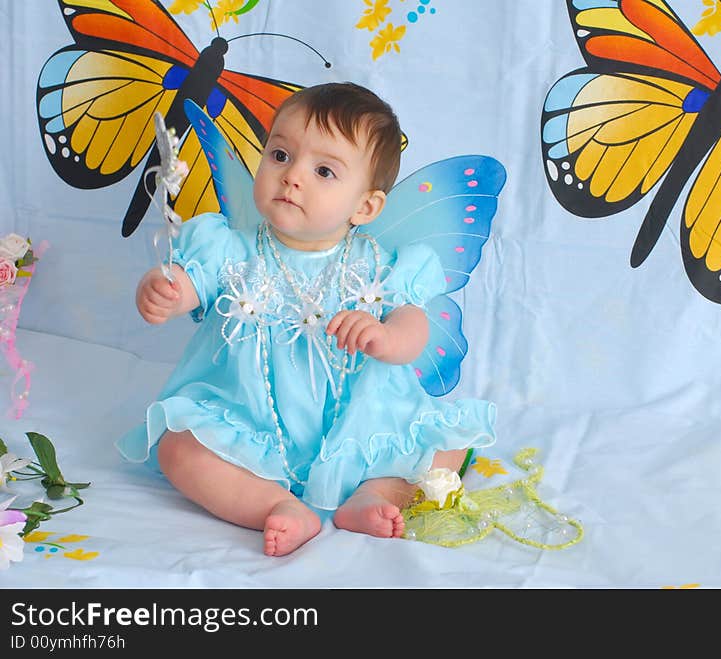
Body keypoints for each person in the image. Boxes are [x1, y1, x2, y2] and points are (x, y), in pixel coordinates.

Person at [117, 82, 496, 557]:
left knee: (448, 447)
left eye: (323, 170)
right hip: (248, 423)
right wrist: (161, 293)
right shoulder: (228, 248)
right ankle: (274, 504)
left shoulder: (380, 264)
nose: (292, 175)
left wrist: (385, 336)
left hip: (361, 427)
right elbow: (186, 284)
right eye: (279, 155)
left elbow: (414, 327)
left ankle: (371, 494)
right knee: (179, 449)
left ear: (366, 206)